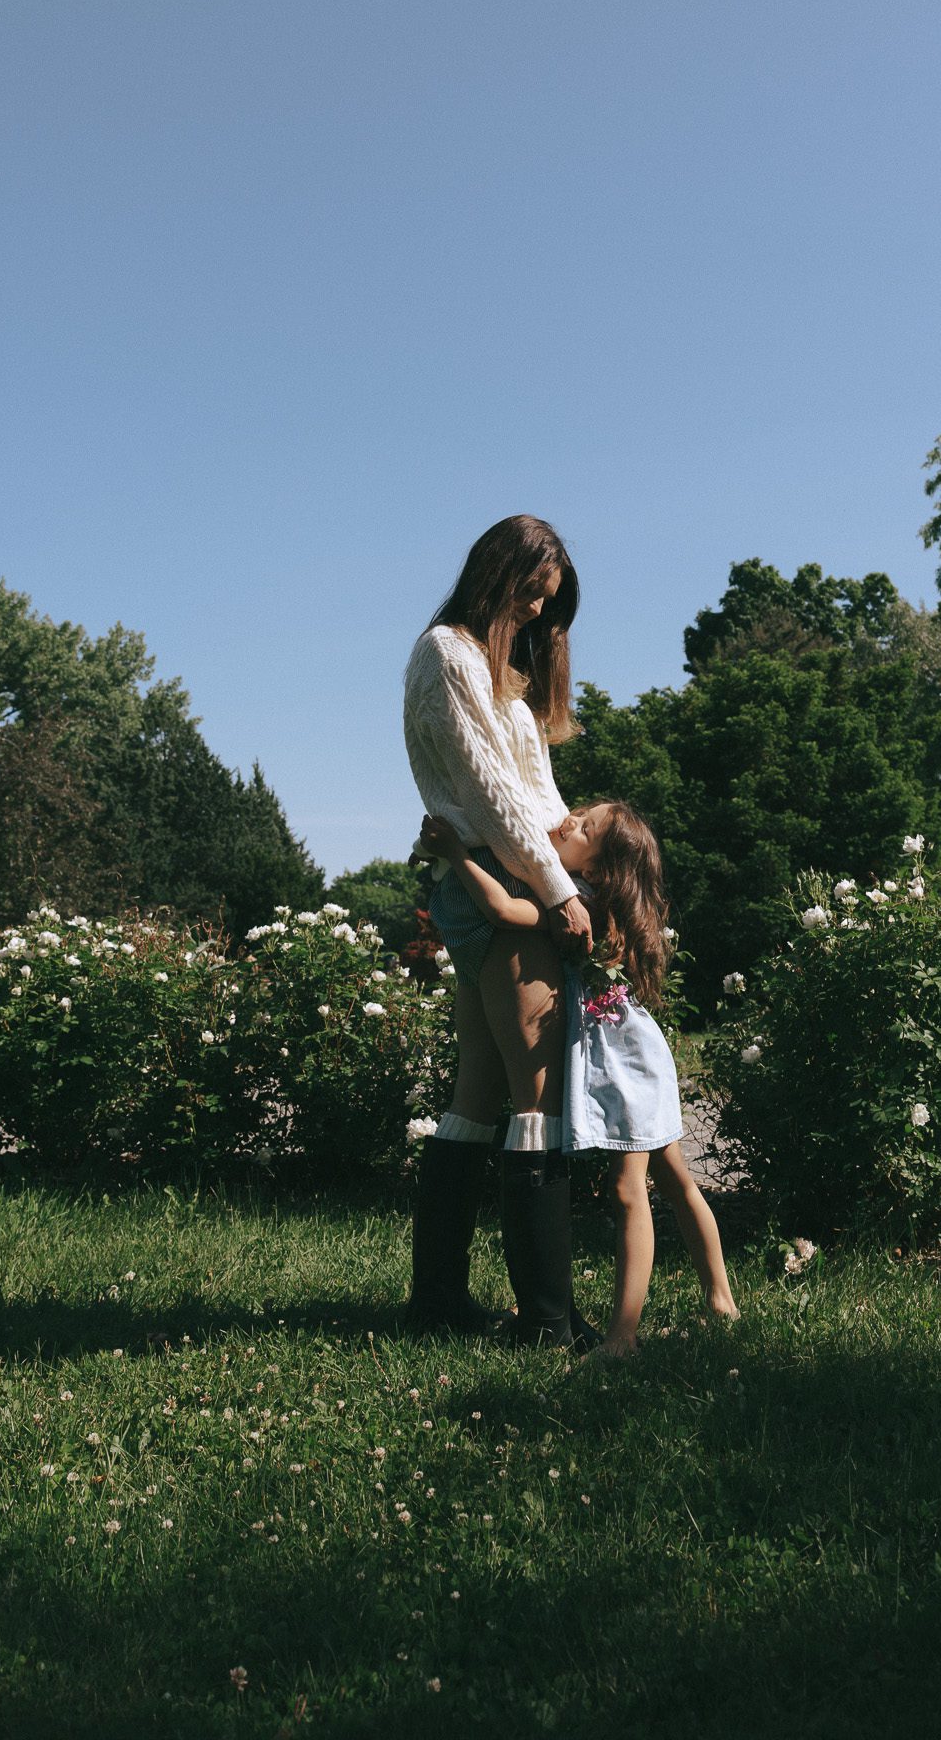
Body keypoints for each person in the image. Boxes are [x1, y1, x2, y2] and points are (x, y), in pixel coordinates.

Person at [420, 801, 740, 1358]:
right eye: (581, 812)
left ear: (595, 870)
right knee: (675, 1182)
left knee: (631, 1190)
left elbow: (500, 910)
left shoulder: (578, 903)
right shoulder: (572, 888)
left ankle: (624, 1335)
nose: (572, 820)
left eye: (586, 828)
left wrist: (454, 856)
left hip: (629, 1069)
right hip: (624, 1063)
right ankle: (719, 1297)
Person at [402, 516, 595, 1345]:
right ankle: (547, 1321)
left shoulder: (503, 674)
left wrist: (579, 874)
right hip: (502, 880)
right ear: (493, 573)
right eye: (527, 594)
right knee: (536, 1097)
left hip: (507, 875)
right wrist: (559, 892)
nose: (536, 616)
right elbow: (490, 795)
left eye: (548, 608)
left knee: (477, 1095)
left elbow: (536, 795)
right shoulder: (447, 653)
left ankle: (438, 1302)